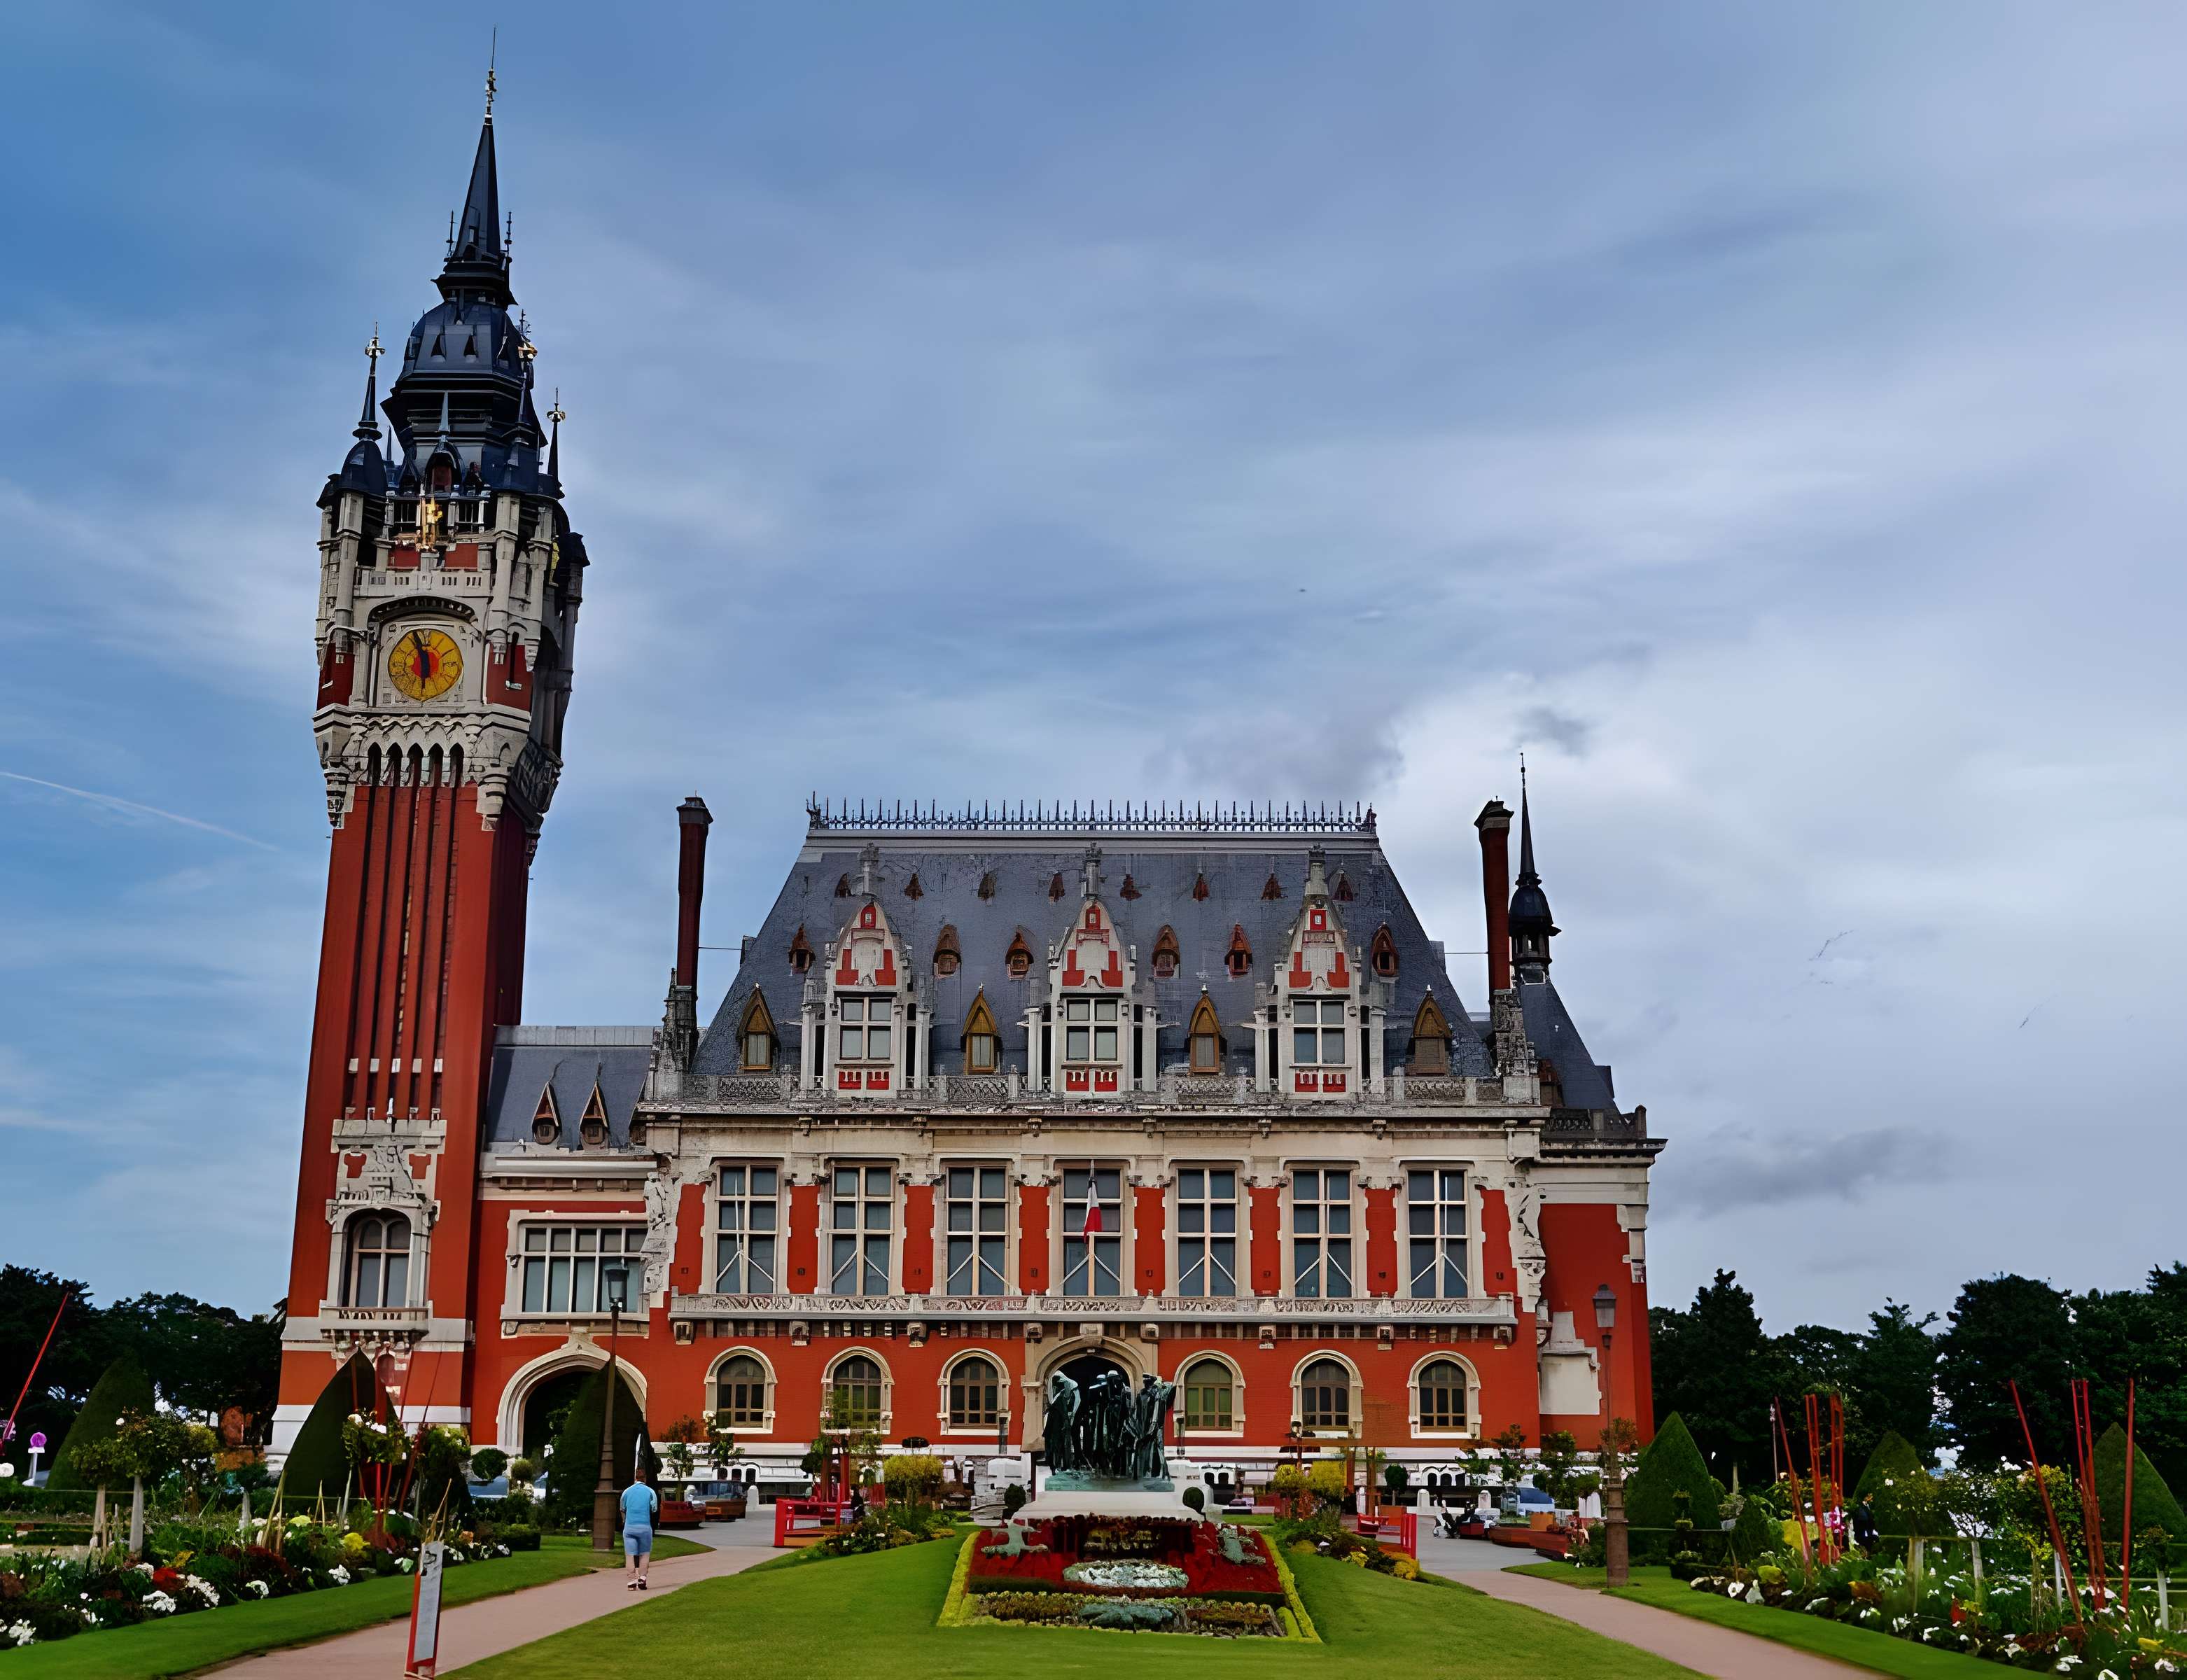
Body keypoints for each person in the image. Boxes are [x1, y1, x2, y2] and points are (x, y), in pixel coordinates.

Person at [620, 1475, 660, 1590]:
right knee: (644, 1554)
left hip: (629, 1528)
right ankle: (642, 1578)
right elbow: (654, 1509)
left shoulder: (626, 1492)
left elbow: (622, 1508)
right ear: (645, 1480)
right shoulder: (650, 1491)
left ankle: (632, 1581)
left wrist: (625, 1520)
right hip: (644, 1528)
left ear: (635, 1479)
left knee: (630, 1555)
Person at [1851, 1490, 1880, 1554]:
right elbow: (1862, 1518)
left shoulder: (1868, 1505)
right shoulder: (1860, 1507)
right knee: (1866, 1541)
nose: (1870, 1498)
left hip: (1869, 1527)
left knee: (1871, 1540)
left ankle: (1870, 1551)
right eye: (1869, 1496)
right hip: (1863, 1527)